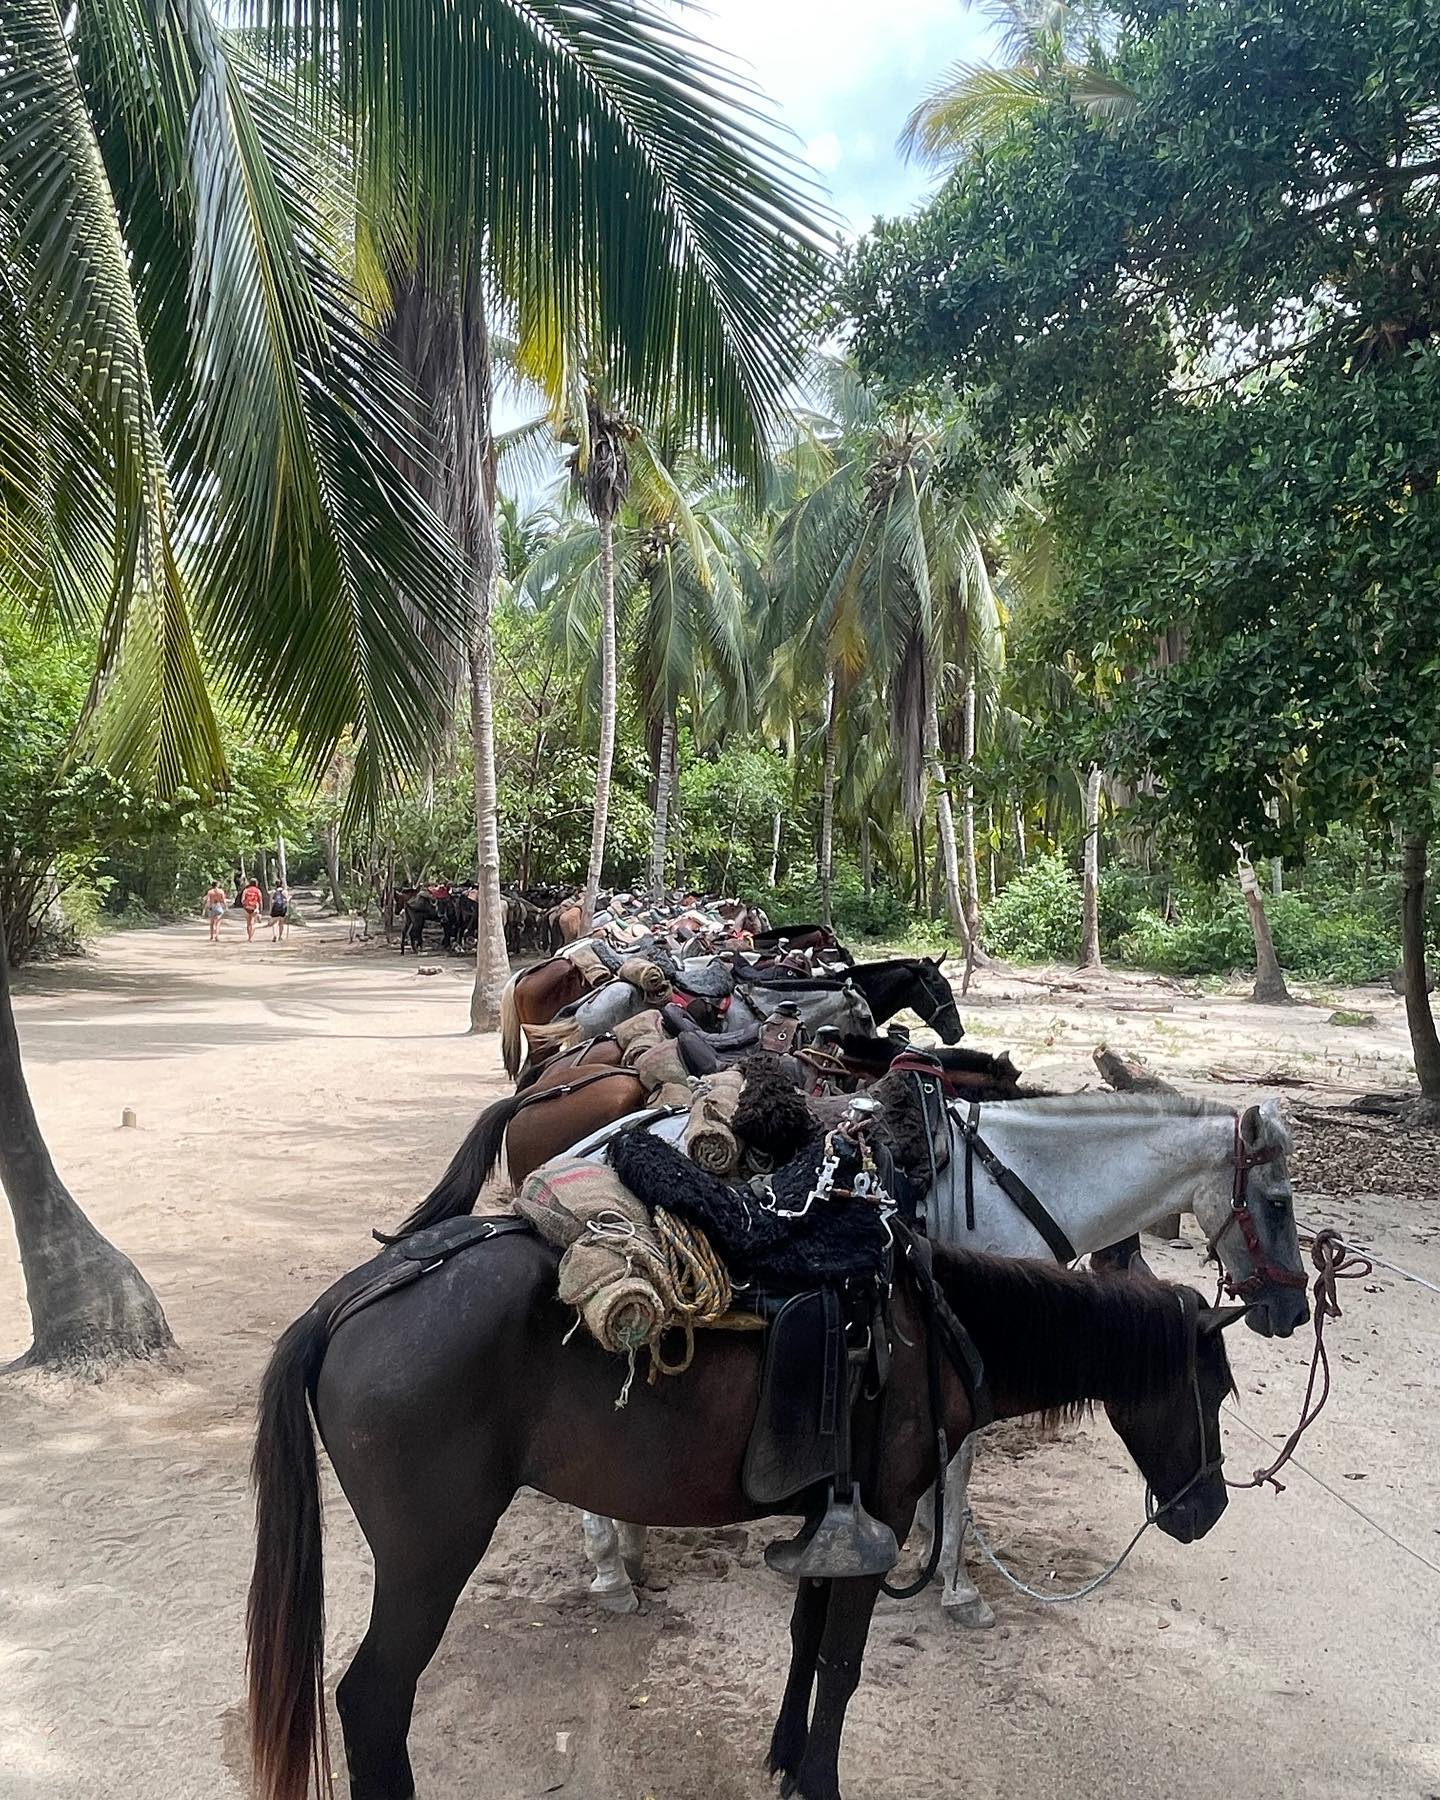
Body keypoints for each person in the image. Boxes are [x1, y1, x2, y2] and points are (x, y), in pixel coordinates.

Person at [240, 877, 263, 941]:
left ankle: (249, 936)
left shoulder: (246, 890)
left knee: (248, 923)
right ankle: (251, 937)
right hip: (254, 908)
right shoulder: (258, 891)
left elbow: (242, 900)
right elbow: (260, 901)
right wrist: (261, 910)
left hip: (247, 908)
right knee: (252, 923)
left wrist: (245, 905)